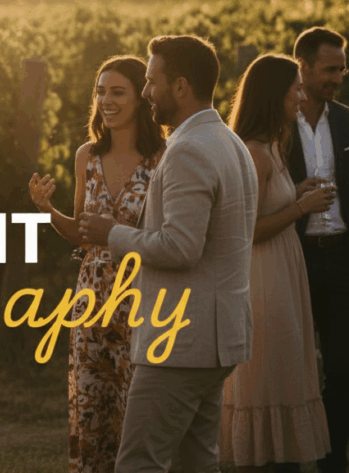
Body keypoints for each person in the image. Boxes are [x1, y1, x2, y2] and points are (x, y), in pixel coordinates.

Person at [79, 35, 259, 472]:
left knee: (139, 462)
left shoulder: (189, 151)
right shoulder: (229, 142)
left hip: (180, 341)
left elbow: (181, 247)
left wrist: (113, 233)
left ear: (180, 87)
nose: (145, 93)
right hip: (217, 338)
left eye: (150, 81)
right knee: (195, 460)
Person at [28, 55, 165, 472]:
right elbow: (82, 233)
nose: (106, 100)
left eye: (117, 91)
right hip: (92, 296)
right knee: (93, 405)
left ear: (140, 98)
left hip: (143, 293)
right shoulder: (87, 155)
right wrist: (45, 209)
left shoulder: (163, 156)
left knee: (137, 407)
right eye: (101, 91)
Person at [220, 53, 332, 473]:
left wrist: (297, 191)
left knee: (285, 378)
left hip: (283, 274)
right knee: (269, 381)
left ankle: (280, 459)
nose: (301, 97)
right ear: (274, 94)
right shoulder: (254, 153)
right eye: (295, 89)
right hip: (263, 279)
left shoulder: (272, 146)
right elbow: (246, 231)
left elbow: (270, 204)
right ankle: (266, 461)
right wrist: (302, 207)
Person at [289, 26, 349, 473]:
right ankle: (287, 459)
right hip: (293, 257)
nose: (338, 77)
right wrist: (296, 196)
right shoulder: (275, 127)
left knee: (344, 367)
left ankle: (331, 461)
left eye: (342, 69)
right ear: (303, 67)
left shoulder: (347, 120)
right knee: (290, 365)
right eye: (330, 69)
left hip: (341, 256)